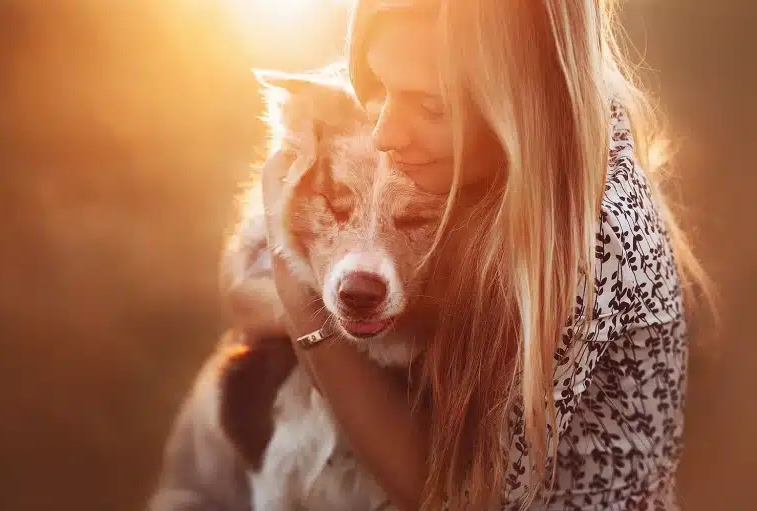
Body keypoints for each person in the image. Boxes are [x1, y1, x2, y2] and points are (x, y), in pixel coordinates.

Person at [258, 0, 714, 509]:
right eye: (379, 90)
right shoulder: (556, 150)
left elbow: (455, 499)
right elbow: (241, 299)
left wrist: (299, 304)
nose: (385, 134)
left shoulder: (586, 245)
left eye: (431, 107)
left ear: (520, 102)